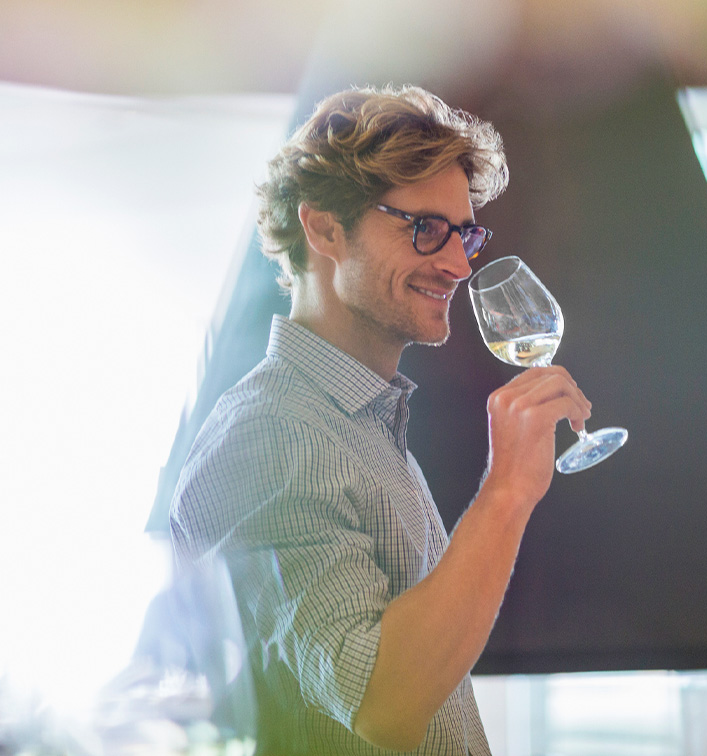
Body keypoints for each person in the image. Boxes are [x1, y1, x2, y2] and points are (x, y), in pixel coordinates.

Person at [169, 85, 593, 754]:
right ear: (323, 229)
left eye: (465, 234)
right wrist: (508, 491)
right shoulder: (272, 436)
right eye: (425, 228)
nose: (458, 265)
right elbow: (384, 706)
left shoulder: (361, 421)